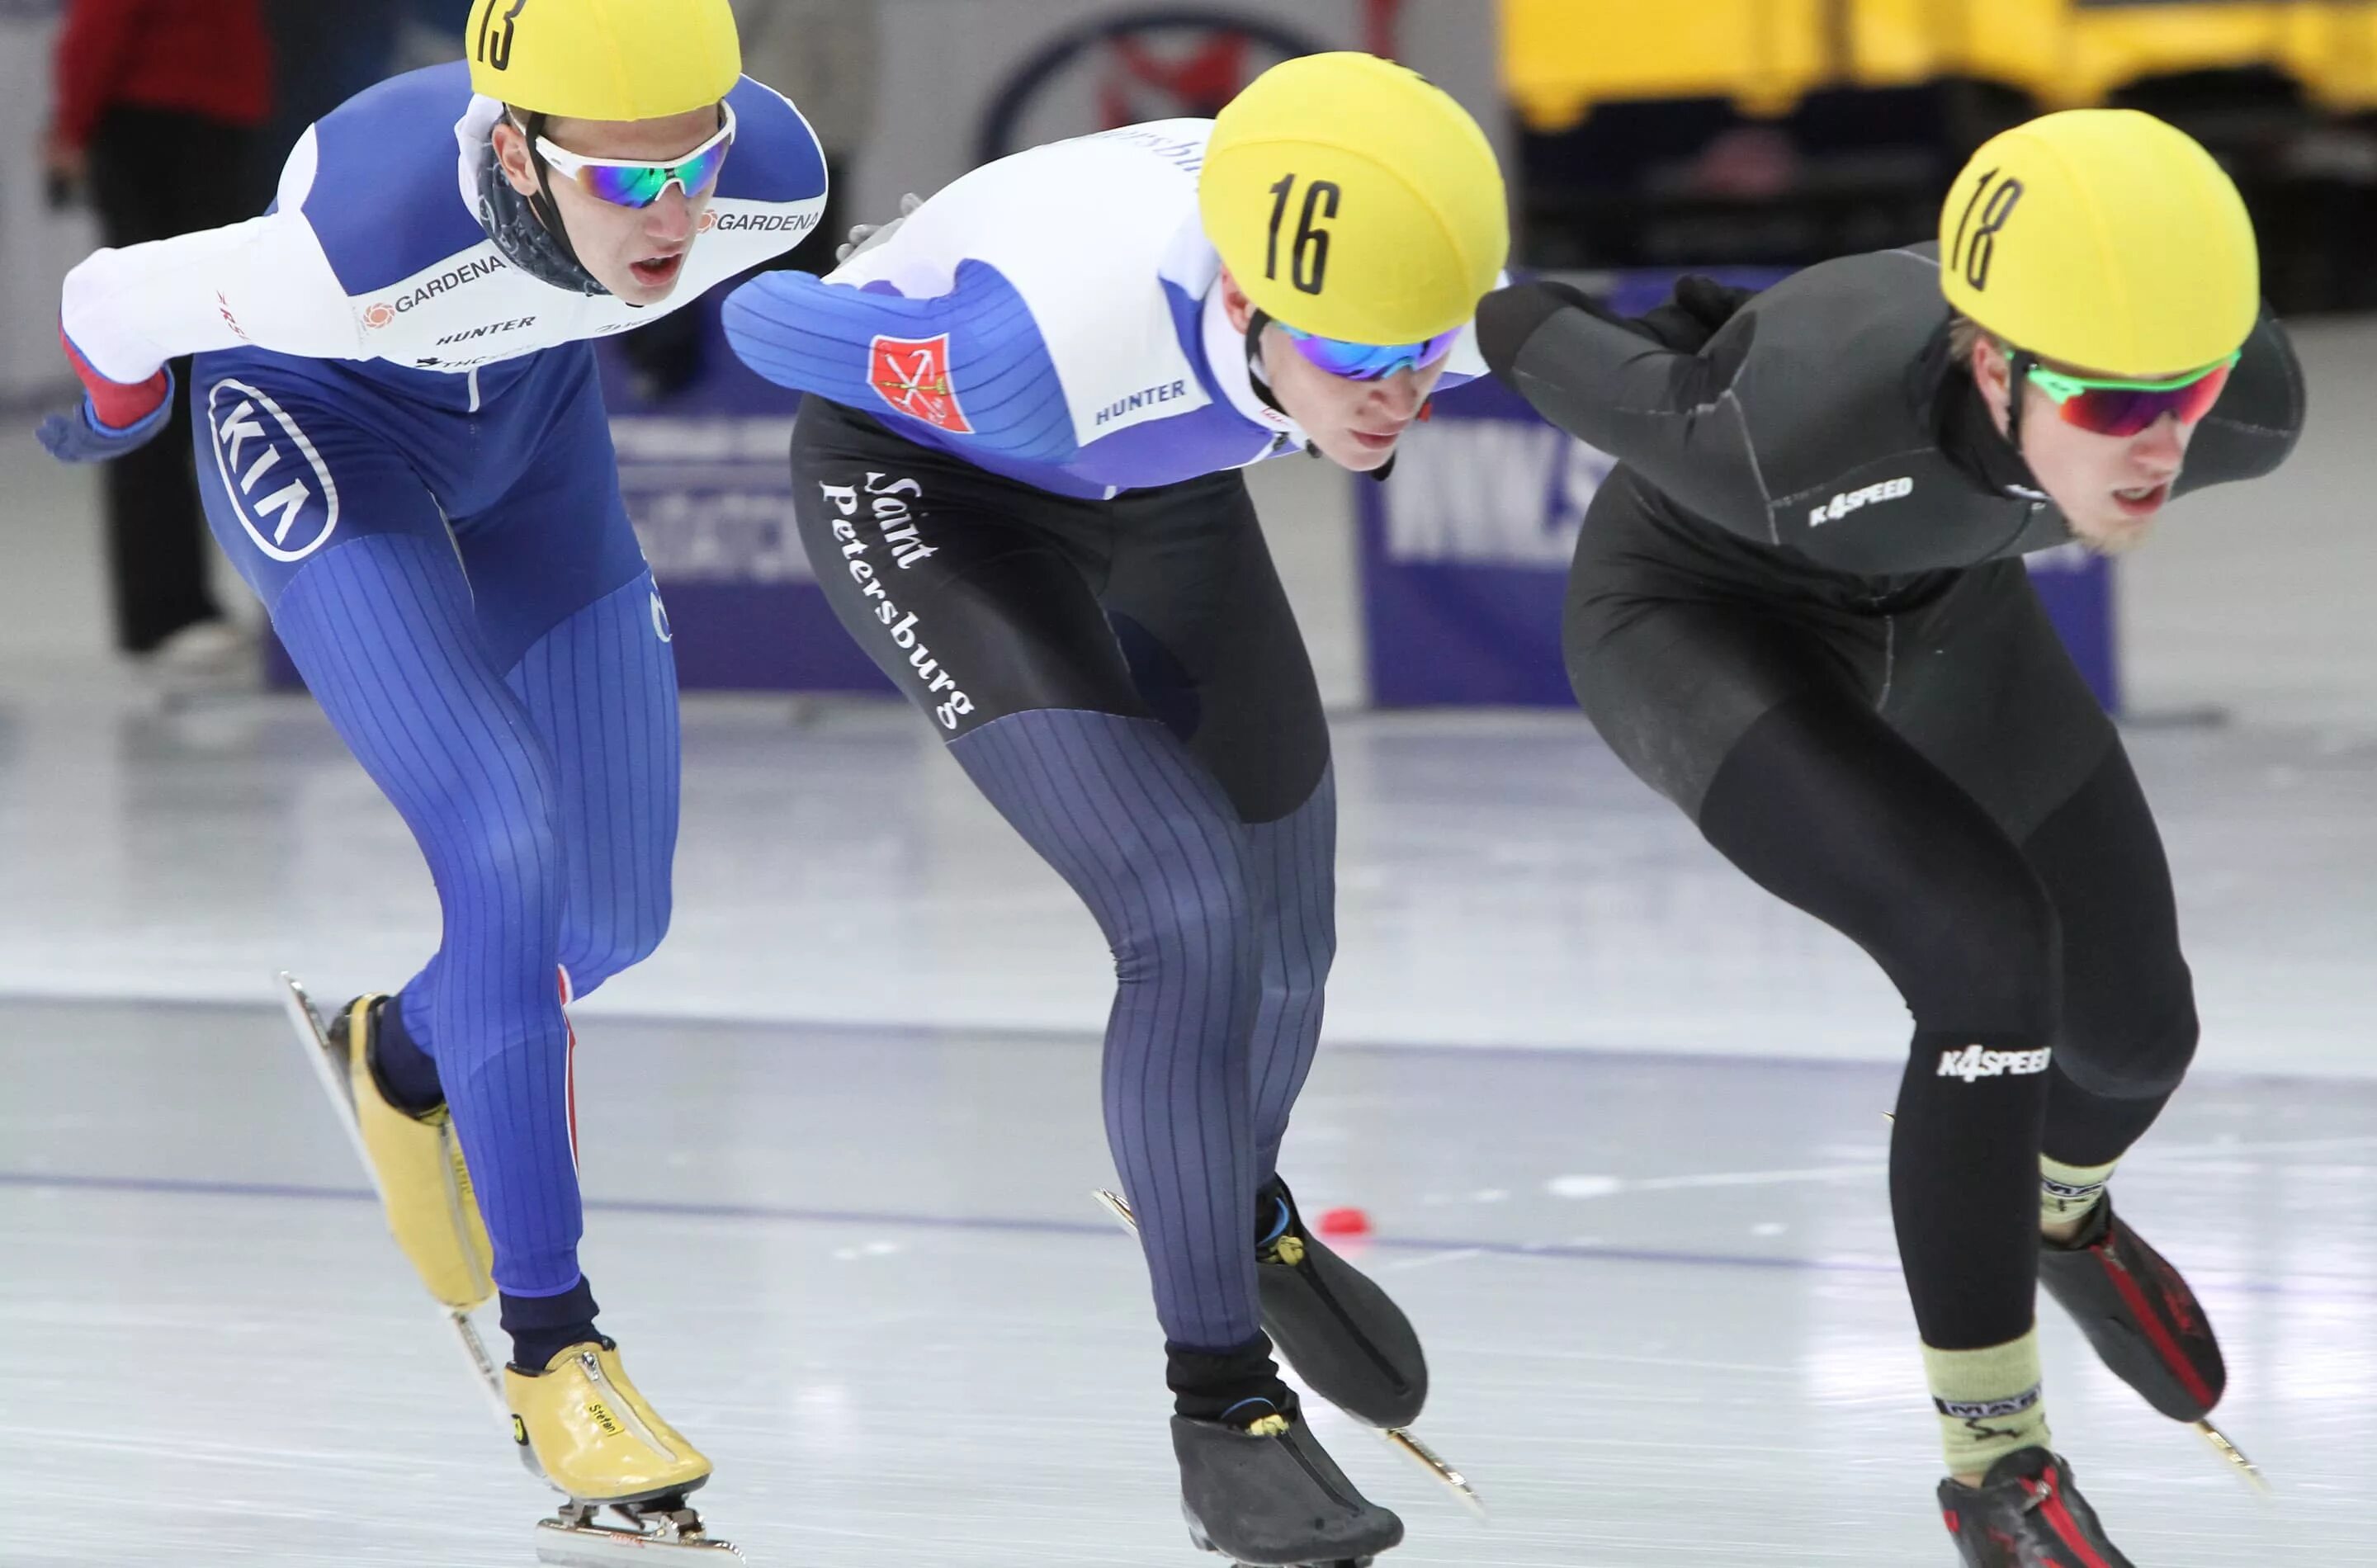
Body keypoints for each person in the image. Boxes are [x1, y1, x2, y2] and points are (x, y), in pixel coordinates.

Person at [37, 0, 828, 1551]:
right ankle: (559, 1350)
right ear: (521, 155)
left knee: (607, 924)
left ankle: (404, 1057)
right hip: (319, 423)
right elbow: (103, 294)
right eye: (621, 183)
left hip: (535, 443)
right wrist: (119, 417)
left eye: (694, 167)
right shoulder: (346, 246)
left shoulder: (771, 178)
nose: (672, 218)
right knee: (508, 846)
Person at [1475, 109, 2304, 1566]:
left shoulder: (2249, 409)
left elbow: (2159, 386)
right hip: (1703, 617)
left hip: (1946, 608)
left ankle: (2056, 1220)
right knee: (1989, 964)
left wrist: (2141, 398)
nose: (2164, 443)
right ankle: (1995, 1465)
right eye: (2112, 408)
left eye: (2190, 389)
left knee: (2137, 1035)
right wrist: (1497, 307)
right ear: (1994, 366)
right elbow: (1535, 330)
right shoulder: (1786, 430)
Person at [721, 52, 1505, 1566]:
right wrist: (863, 268)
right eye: (1362, 363)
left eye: (1425, 353)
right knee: (1189, 913)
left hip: (1161, 488)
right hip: (938, 482)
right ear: (1253, 312)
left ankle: (1234, 1210)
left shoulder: (1418, 280)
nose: (1403, 394)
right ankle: (1221, 1405)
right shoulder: (1031, 346)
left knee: (1289, 925)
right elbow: (765, 323)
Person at [46, 0, 272, 680]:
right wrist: (71, 127)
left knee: (212, 356)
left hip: (207, 125)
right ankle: (162, 608)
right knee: (151, 356)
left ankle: (181, 603)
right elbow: (102, 21)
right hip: (160, 128)